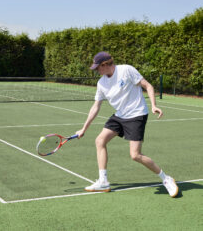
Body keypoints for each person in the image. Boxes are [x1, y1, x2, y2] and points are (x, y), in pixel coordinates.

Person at [76, 52, 179, 198]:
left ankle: (166, 179)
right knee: (100, 140)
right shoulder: (101, 83)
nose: (96, 70)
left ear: (105, 65)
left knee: (135, 155)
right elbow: (95, 107)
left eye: (98, 67)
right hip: (120, 115)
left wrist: (154, 105)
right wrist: (84, 128)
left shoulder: (126, 70)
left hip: (137, 114)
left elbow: (147, 86)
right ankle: (103, 181)